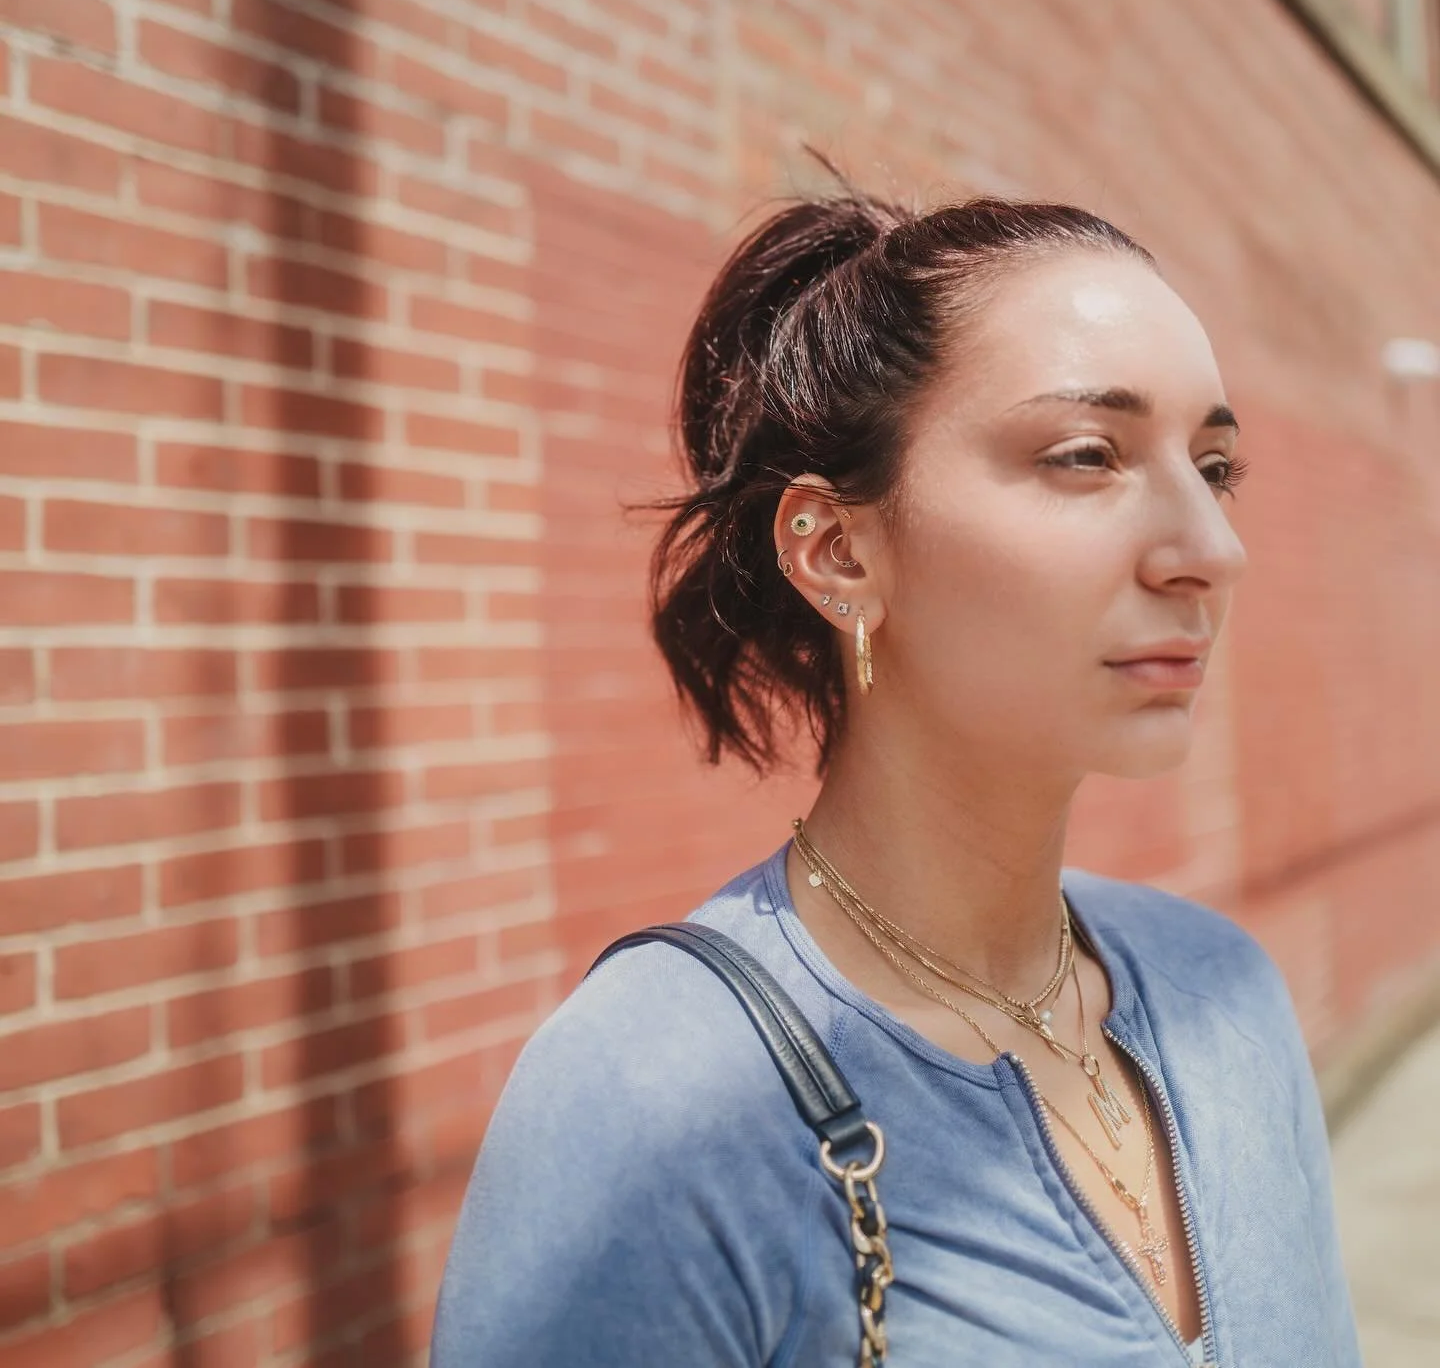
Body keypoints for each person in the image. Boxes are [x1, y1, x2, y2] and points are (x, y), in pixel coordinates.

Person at [429, 168, 1364, 1367]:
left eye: (1216, 466)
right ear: (838, 551)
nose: (1210, 549)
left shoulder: (1223, 993)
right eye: (1088, 454)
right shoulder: (651, 1095)